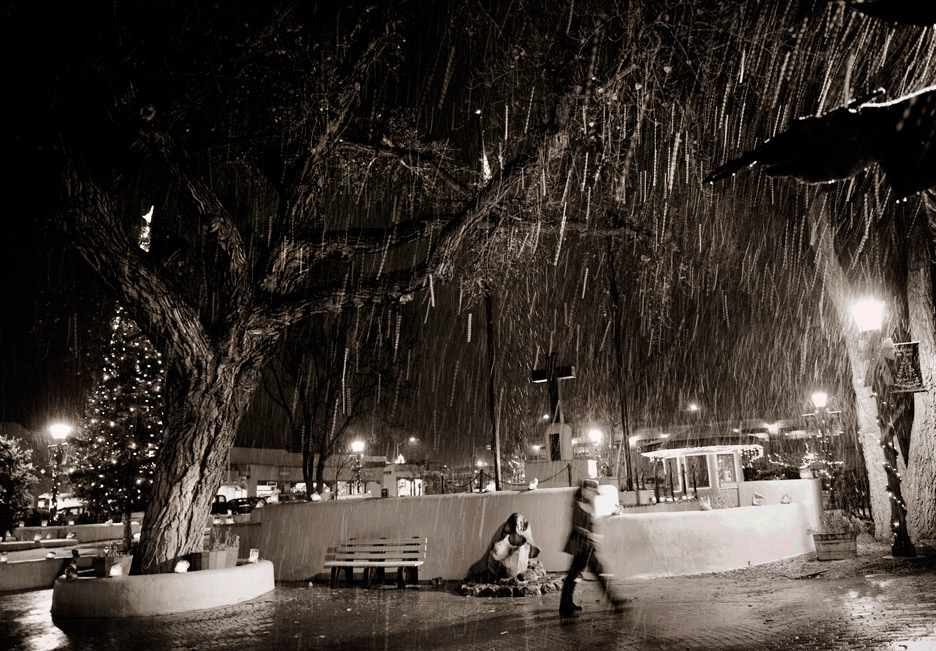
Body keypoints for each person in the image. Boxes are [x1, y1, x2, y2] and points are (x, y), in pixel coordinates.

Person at [560, 479, 627, 618]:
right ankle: (614, 602)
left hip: (586, 546)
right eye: (592, 492)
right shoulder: (578, 505)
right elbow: (576, 527)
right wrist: (591, 535)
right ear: (585, 490)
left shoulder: (588, 504)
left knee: (574, 577)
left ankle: (566, 605)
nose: (594, 495)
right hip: (581, 546)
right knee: (597, 573)